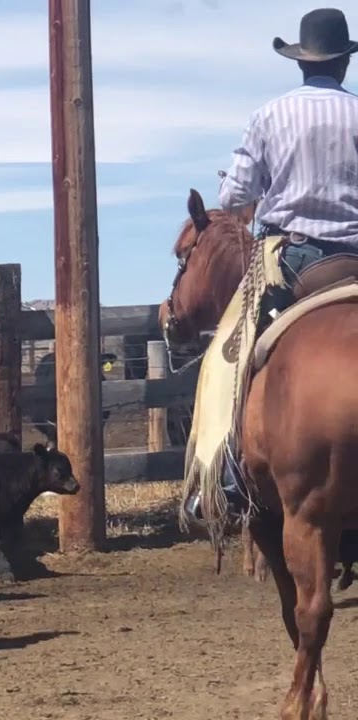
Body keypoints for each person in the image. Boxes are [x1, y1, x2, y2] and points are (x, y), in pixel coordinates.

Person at [186, 7, 358, 523]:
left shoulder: (269, 115)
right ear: (345, 65)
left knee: (230, 352)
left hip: (293, 257)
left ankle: (229, 475)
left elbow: (235, 192)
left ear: (301, 62)